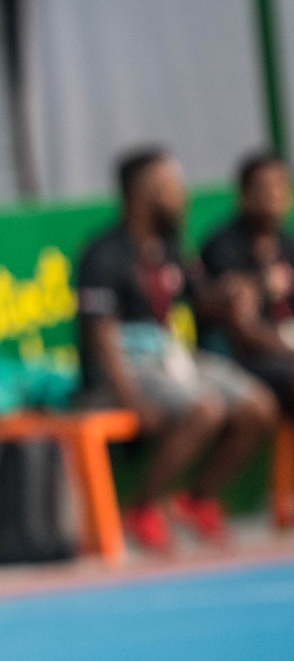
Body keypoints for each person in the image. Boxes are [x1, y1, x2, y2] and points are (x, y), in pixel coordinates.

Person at [74, 147, 277, 550]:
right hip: (125, 367)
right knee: (204, 408)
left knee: (259, 406)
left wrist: (234, 293)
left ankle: (197, 500)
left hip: (171, 357)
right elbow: (99, 335)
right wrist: (130, 397)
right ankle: (142, 507)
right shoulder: (103, 253)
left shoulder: (169, 248)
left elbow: (201, 298)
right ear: (144, 193)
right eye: (172, 186)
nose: (182, 194)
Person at [200, 152, 294, 415]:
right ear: (244, 193)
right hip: (241, 359)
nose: (274, 195)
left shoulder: (288, 245)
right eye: (264, 187)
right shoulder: (222, 247)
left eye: (281, 186)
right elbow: (243, 331)